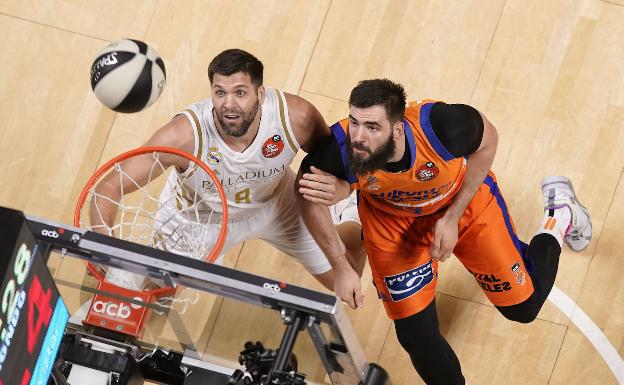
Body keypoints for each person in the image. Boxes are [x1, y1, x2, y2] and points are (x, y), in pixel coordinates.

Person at [296, 79, 592, 384]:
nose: (358, 136)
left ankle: (559, 214)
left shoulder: (444, 127)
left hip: (461, 206)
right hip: (393, 226)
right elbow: (304, 193)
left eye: (372, 127)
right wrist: (341, 266)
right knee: (416, 338)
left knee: (525, 308)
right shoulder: (343, 148)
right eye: (354, 122)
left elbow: (488, 141)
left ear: (397, 129)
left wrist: (453, 217)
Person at [91, 49, 365, 291]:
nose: (228, 104)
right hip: (198, 220)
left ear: (260, 93)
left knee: (347, 275)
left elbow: (332, 159)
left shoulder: (295, 117)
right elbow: (111, 185)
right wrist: (103, 240)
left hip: (275, 205)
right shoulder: (183, 135)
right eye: (220, 92)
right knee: (158, 291)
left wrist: (344, 188)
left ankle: (351, 211)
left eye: (240, 92)